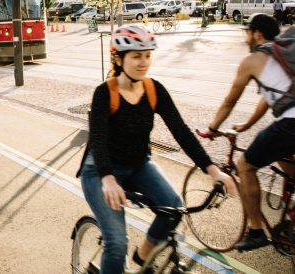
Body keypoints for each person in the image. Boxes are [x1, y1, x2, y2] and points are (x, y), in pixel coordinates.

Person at [77, 25, 235, 273]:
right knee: (117, 243)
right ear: (119, 59)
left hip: (138, 165)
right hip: (100, 172)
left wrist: (212, 170)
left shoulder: (153, 90)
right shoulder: (105, 93)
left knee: (173, 207)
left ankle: (142, 257)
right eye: (136, 56)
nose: (144, 62)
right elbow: (97, 138)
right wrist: (108, 179)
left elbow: (181, 132)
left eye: (148, 55)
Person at [205, 14, 295, 251]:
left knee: (245, 166)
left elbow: (229, 101)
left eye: (247, 32)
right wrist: (246, 125)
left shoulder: (253, 60)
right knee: (284, 153)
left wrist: (213, 128)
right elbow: (270, 98)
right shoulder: (288, 55)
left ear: (257, 33)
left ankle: (256, 231)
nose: (246, 37)